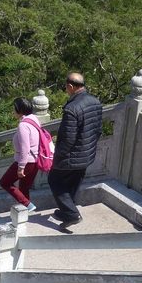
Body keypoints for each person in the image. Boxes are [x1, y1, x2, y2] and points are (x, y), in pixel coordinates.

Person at [48, 73, 103, 231]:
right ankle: (67, 211)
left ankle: (72, 215)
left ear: (71, 86)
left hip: (72, 155)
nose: (66, 89)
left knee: (54, 180)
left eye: (66, 87)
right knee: (73, 181)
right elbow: (98, 129)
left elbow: (68, 138)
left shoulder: (72, 108)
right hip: (87, 153)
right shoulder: (95, 101)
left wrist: (58, 155)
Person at [0, 97, 40, 211]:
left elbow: (25, 148)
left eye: (14, 108)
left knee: (5, 182)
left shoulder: (23, 126)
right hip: (36, 161)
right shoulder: (35, 120)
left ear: (19, 110)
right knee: (24, 188)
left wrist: (21, 167)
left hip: (26, 162)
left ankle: (28, 205)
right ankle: (25, 212)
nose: (13, 110)